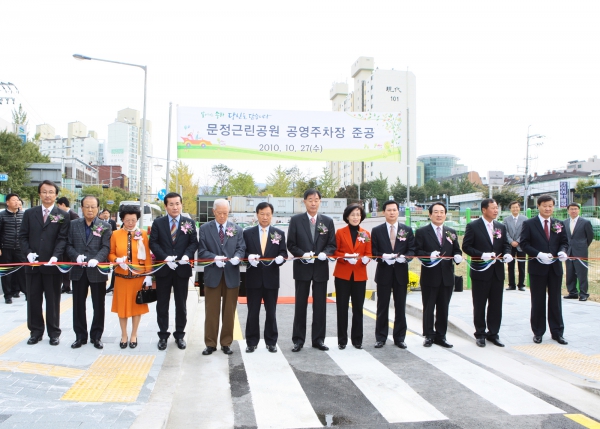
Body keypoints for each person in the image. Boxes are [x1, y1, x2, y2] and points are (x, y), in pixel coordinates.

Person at [18, 180, 70, 346]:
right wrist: (28, 253)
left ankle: (54, 333)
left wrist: (55, 256)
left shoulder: (61, 214)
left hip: (52, 265)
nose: (47, 195)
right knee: (33, 299)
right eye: (44, 192)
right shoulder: (29, 213)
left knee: (53, 300)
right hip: (33, 265)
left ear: (56, 195)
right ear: (39, 194)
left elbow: (62, 238)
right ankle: (35, 332)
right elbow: (22, 236)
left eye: (51, 192)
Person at [287, 189, 336, 352]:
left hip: (321, 269)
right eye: (310, 200)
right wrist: (302, 254)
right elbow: (291, 244)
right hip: (302, 268)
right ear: (304, 202)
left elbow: (332, 244)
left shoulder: (327, 221)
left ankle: (318, 339)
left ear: (320, 202)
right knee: (300, 305)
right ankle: (298, 340)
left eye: (316, 200)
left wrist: (325, 253)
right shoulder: (295, 220)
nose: (313, 203)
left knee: (320, 305)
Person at [149, 192, 198, 351]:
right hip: (164, 269)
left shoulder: (189, 222)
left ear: (181, 204)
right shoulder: (158, 223)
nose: (175, 207)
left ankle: (179, 335)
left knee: (181, 304)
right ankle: (163, 335)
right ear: (166, 206)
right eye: (171, 204)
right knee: (162, 304)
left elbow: (193, 243)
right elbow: (153, 243)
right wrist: (165, 258)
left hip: (182, 270)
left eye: (177, 204)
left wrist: (186, 255)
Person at [198, 199, 246, 355]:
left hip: (231, 274)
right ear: (214, 212)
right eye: (219, 213)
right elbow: (201, 251)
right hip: (213, 274)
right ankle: (210, 343)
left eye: (225, 213)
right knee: (211, 311)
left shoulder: (237, 229)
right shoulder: (205, 228)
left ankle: (226, 342)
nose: (222, 216)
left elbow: (241, 248)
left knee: (229, 311)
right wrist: (214, 258)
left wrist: (237, 257)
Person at [462, 198, 512, 348]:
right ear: (484, 210)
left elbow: (505, 245)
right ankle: (480, 333)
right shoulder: (473, 226)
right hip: (480, 271)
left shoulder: (500, 227)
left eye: (497, 208)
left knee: (496, 305)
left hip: (497, 272)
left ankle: (493, 333)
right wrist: (481, 254)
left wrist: (507, 253)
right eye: (493, 208)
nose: (496, 210)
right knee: (479, 304)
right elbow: (466, 246)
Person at [520, 195, 569, 344]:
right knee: (538, 300)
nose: (548, 208)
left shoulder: (558, 223)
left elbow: (564, 242)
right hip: (537, 268)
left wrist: (563, 251)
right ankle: (538, 331)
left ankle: (557, 332)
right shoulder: (529, 224)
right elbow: (524, 244)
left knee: (555, 300)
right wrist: (538, 254)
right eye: (545, 206)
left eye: (550, 206)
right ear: (538, 206)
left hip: (555, 268)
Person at [65, 196, 111, 349]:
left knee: (98, 305)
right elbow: (68, 245)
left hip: (97, 270)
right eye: (87, 206)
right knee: (78, 305)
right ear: (82, 208)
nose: (90, 210)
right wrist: (75, 256)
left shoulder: (105, 225)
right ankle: (80, 336)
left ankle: (96, 336)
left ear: (98, 208)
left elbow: (106, 247)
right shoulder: (72, 224)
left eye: (93, 207)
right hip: (78, 270)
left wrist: (97, 259)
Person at [414, 202, 462, 348]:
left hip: (447, 276)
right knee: (429, 307)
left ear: (445, 214)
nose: (439, 214)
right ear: (430, 215)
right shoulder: (422, 232)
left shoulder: (451, 231)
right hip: (430, 276)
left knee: (443, 307)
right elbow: (417, 251)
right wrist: (429, 255)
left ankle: (441, 335)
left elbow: (456, 250)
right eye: (436, 212)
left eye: (442, 212)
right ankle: (429, 335)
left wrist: (458, 256)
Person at [243, 202, 288, 353]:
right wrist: (248, 257)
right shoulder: (248, 233)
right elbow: (242, 253)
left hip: (271, 279)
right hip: (253, 279)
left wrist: (281, 257)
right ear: (257, 215)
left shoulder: (278, 233)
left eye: (268, 214)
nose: (265, 217)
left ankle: (271, 341)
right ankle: (251, 341)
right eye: (262, 214)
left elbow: (284, 252)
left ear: (272, 216)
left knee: (271, 312)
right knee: (252, 311)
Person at [370, 200, 415, 349]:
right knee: (382, 306)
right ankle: (381, 337)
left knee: (400, 306)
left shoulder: (406, 229)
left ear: (398, 211)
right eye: (389, 210)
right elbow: (373, 252)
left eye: (394, 210)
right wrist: (383, 257)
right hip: (384, 272)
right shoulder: (376, 230)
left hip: (401, 273)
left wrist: (405, 258)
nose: (392, 212)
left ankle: (400, 337)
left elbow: (412, 250)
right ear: (384, 212)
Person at [109, 205, 152, 349]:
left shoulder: (143, 234)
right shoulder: (115, 234)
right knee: (122, 308)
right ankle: (124, 335)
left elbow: (146, 255)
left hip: (138, 277)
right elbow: (110, 253)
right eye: (127, 220)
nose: (131, 223)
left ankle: (134, 334)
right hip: (121, 277)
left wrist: (148, 275)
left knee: (136, 307)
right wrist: (117, 260)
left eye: (133, 220)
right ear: (122, 219)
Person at [332, 203, 371, 350]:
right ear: (347, 216)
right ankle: (342, 340)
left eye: (358, 214)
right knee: (342, 308)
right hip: (343, 274)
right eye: (353, 214)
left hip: (359, 274)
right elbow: (334, 252)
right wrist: (345, 256)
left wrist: (367, 259)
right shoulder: (340, 232)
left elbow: (368, 252)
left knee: (358, 308)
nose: (356, 217)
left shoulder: (365, 233)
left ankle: (357, 339)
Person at [563, 203, 594, 301]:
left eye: (575, 209)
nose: (573, 211)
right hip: (568, 251)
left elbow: (590, 237)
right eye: (571, 209)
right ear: (568, 211)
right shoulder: (564, 222)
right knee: (570, 272)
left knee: (582, 273)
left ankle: (584, 293)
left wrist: (583, 246)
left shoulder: (585, 222)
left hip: (581, 251)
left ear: (579, 210)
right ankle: (572, 292)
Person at [0, 193, 26, 303]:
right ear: (7, 203)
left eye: (17, 200)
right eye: (13, 200)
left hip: (20, 248)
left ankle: (25, 292)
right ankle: (8, 295)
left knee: (22, 271)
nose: (16, 202)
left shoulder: (23, 215)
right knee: (6, 272)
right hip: (6, 247)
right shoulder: (2, 215)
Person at [57, 197, 79, 294]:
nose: (58, 208)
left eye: (58, 206)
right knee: (63, 265)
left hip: (71, 245)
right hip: (61, 244)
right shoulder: (59, 215)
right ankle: (65, 286)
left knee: (69, 266)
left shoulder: (73, 215)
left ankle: (68, 285)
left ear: (62, 204)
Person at [504, 201, 527, 291]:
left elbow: (525, 232)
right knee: (510, 265)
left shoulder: (525, 219)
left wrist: (517, 241)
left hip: (521, 245)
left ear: (519, 208)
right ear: (510, 209)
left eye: (516, 207)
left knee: (521, 265)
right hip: (510, 246)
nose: (515, 209)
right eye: (513, 207)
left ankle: (521, 284)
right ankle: (511, 284)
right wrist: (511, 241)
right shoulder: (506, 219)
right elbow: (504, 231)